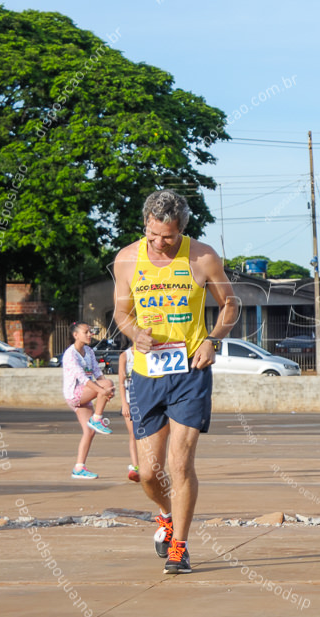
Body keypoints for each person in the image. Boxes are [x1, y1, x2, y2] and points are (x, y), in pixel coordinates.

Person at [113, 189, 239, 574]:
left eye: (167, 236)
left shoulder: (203, 257)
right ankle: (166, 515)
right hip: (147, 372)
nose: (158, 243)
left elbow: (231, 305)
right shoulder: (127, 259)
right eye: (152, 234)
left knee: (180, 464)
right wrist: (134, 333)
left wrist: (213, 340)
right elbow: (122, 312)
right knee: (150, 472)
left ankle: (180, 548)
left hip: (190, 371)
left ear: (182, 229)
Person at [61, 322, 115, 479]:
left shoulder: (89, 351)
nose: (90, 334)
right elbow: (83, 378)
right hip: (74, 394)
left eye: (90, 332)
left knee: (89, 432)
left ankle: (79, 468)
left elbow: (97, 373)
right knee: (107, 384)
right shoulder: (70, 354)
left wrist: (106, 391)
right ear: (76, 335)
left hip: (85, 394)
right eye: (86, 332)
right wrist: (103, 389)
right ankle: (97, 418)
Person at [118, 343, 140, 483]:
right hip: (130, 399)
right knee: (133, 434)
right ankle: (136, 466)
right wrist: (124, 404)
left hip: (146, 398)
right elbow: (121, 381)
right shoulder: (125, 355)